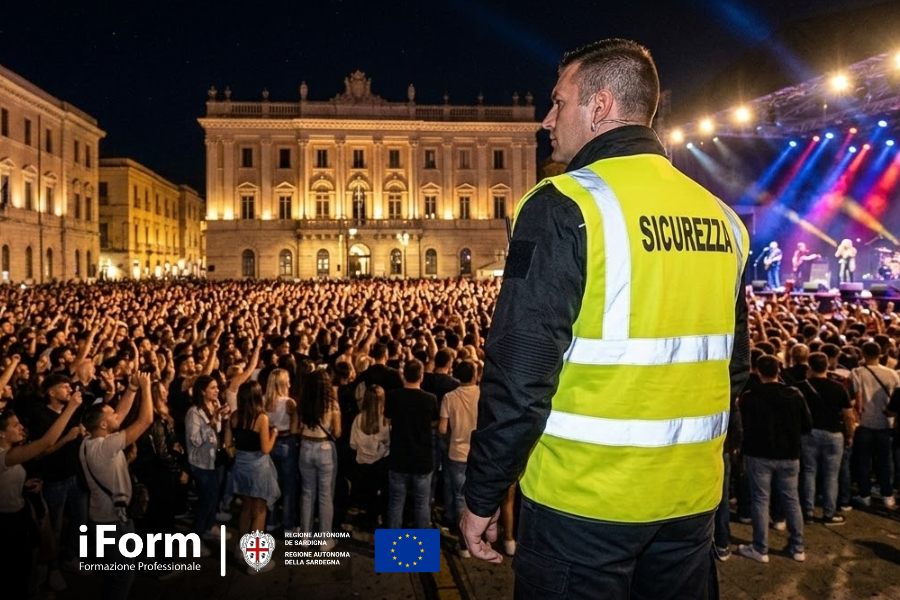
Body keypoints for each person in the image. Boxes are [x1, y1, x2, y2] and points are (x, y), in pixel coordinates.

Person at [461, 39, 749, 600]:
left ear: (599, 107)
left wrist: (483, 493)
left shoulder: (563, 204)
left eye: (558, 103)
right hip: (690, 502)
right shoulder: (722, 218)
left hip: (582, 505)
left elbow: (521, 371)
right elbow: (733, 371)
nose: (547, 120)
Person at [0, 391, 82, 599]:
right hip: (8, 521)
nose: (21, 427)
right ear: (1, 434)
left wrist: (24, 482)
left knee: (28, 560)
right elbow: (46, 442)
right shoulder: (5, 456)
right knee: (15, 569)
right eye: (14, 425)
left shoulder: (10, 453)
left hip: (20, 512)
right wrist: (71, 407)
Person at [80, 372, 154, 600]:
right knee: (124, 574)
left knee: (113, 572)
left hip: (100, 517)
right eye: (111, 415)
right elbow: (145, 421)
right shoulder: (105, 447)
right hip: (113, 521)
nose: (117, 416)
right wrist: (145, 387)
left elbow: (119, 415)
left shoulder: (87, 441)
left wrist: (131, 389)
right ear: (103, 425)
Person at [736, 355, 812, 564]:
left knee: (760, 500)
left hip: (759, 454)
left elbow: (743, 426)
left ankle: (760, 548)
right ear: (778, 370)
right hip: (789, 455)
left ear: (757, 371)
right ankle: (797, 547)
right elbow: (807, 425)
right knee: (791, 499)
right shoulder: (794, 394)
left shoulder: (751, 397)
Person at [223, 380, 280, 573]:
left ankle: (241, 548)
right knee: (260, 511)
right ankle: (255, 561)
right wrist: (274, 434)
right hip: (258, 468)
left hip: (240, 466)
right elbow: (266, 448)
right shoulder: (261, 418)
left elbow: (228, 443)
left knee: (246, 508)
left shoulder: (234, 416)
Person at [796, 352, 854, 525]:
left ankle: (808, 511)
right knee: (831, 476)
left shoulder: (801, 387)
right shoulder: (838, 387)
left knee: (809, 472)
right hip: (834, 434)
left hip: (809, 433)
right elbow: (848, 415)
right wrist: (850, 435)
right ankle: (829, 513)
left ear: (810, 367)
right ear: (827, 366)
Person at [298, 368, 342, 551]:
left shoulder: (303, 403)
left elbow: (296, 429)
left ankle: (305, 537)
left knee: (307, 493)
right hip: (325, 448)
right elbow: (338, 432)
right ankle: (325, 540)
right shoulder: (332, 405)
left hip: (306, 446)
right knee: (325, 496)